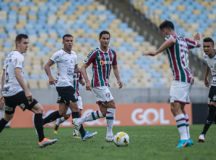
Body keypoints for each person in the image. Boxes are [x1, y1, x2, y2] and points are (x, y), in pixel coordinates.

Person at [145, 20, 200, 148]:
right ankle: (188, 138)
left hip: (180, 78)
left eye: (162, 31)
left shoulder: (172, 37)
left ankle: (184, 139)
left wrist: (156, 52)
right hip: (188, 77)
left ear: (166, 29)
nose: (162, 34)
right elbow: (197, 44)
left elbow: (171, 40)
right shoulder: (184, 40)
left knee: (174, 107)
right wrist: (198, 40)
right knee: (181, 108)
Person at [0, 34, 57, 148]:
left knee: (7, 117)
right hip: (16, 92)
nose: (27, 46)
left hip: (8, 93)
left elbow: (3, 75)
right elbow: (17, 74)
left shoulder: (9, 55)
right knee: (39, 109)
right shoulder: (18, 56)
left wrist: (2, 93)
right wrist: (26, 90)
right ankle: (42, 140)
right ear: (18, 43)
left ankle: (42, 139)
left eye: (28, 43)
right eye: (25, 43)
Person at [43, 34, 96, 140]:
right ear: (63, 42)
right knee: (75, 108)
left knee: (62, 112)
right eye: (67, 40)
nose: (69, 42)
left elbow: (75, 69)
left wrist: (83, 77)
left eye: (71, 40)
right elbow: (46, 65)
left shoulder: (74, 55)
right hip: (63, 85)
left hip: (68, 85)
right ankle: (83, 134)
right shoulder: (59, 54)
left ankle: (40, 123)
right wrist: (50, 77)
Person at [73, 30, 123, 142]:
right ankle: (109, 134)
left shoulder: (112, 53)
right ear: (99, 39)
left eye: (107, 38)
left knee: (104, 112)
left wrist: (119, 79)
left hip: (105, 84)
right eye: (103, 38)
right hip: (97, 84)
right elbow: (83, 67)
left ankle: (79, 121)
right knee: (112, 104)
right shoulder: (95, 53)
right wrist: (87, 82)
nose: (106, 40)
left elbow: (115, 67)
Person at [53, 70, 85, 137]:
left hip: (77, 95)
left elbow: (81, 80)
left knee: (79, 113)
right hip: (68, 94)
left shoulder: (78, 71)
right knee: (66, 116)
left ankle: (75, 132)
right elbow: (56, 82)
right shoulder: (64, 71)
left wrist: (83, 82)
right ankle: (58, 121)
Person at [198, 37, 216, 142]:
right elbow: (209, 65)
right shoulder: (206, 56)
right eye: (204, 46)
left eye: (208, 46)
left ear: (213, 46)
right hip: (213, 83)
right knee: (211, 109)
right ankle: (202, 134)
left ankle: (202, 134)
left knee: (212, 105)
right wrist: (205, 77)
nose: (205, 48)